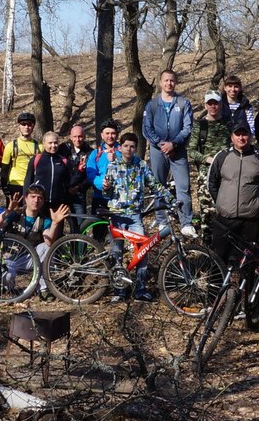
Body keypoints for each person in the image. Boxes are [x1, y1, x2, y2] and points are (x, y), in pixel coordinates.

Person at [101, 133, 167, 300]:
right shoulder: (112, 165)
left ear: (136, 148)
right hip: (116, 215)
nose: (129, 149)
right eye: (126, 146)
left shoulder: (141, 165)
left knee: (142, 250)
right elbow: (106, 193)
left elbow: (155, 185)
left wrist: (172, 199)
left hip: (135, 215)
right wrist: (106, 186)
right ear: (120, 147)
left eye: (132, 146)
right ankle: (119, 291)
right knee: (117, 251)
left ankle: (140, 288)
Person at [205, 123, 259, 266]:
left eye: (244, 134)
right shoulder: (222, 157)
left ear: (250, 136)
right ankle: (215, 288)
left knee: (248, 262)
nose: (241, 137)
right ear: (231, 137)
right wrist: (222, 202)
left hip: (250, 221)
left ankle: (246, 288)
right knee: (218, 259)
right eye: (237, 134)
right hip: (225, 219)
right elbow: (212, 183)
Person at [141, 69, 195, 233]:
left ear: (175, 82)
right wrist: (160, 144)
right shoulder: (152, 105)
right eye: (166, 80)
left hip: (178, 151)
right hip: (158, 151)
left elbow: (187, 128)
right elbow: (147, 129)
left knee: (183, 186)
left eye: (172, 80)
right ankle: (162, 221)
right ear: (160, 82)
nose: (169, 83)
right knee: (159, 185)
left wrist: (174, 144)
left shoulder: (183, 103)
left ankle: (186, 222)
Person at [0, 185, 68, 294]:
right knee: (7, 277)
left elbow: (49, 242)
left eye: (39, 198)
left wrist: (55, 223)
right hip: (8, 259)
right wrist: (8, 211)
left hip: (29, 259)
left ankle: (43, 289)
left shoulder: (44, 219)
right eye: (33, 197)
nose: (36, 200)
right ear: (26, 198)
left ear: (43, 201)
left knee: (47, 248)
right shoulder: (15, 214)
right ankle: (8, 288)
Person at [188, 91, 229, 221]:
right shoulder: (200, 125)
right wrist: (207, 159)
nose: (213, 106)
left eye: (215, 103)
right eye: (209, 103)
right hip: (206, 173)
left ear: (221, 104)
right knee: (207, 213)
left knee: (226, 211)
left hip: (226, 174)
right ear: (205, 105)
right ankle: (207, 240)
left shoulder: (228, 124)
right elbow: (191, 151)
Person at [25, 131, 75, 207]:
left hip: (58, 203)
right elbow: (28, 181)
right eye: (50, 143)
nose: (53, 145)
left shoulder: (63, 161)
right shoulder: (36, 159)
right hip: (39, 203)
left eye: (55, 143)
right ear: (44, 144)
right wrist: (26, 201)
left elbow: (68, 182)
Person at [83, 121, 122, 219]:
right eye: (107, 133)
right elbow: (91, 173)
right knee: (99, 231)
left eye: (113, 133)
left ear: (117, 135)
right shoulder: (96, 153)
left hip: (120, 198)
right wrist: (102, 184)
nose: (110, 136)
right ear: (102, 135)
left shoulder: (124, 152)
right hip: (100, 197)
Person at [0, 111, 41, 203]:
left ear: (33, 126)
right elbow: (4, 169)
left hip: (32, 185)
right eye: (23, 124)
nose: (26, 127)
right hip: (15, 185)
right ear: (19, 126)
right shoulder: (10, 146)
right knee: (13, 214)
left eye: (29, 124)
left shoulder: (39, 147)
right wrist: (4, 187)